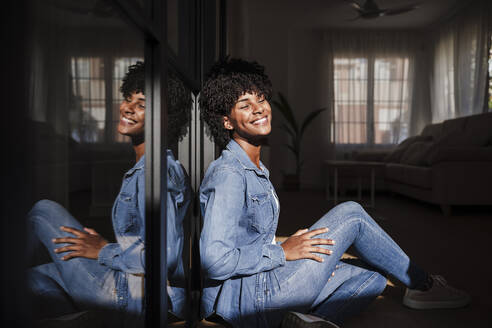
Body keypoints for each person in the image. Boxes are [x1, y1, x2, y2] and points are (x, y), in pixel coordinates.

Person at [198, 58, 470, 328]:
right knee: (351, 214)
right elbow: (214, 260)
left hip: (265, 286)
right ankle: (426, 285)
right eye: (245, 106)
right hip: (250, 300)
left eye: (261, 99)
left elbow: (247, 239)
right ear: (226, 122)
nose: (259, 110)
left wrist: (282, 248)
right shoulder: (229, 174)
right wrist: (282, 252)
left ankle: (311, 323)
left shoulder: (254, 167)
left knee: (373, 276)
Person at [27, 62, 191, 323]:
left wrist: (103, 250)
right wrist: (109, 247)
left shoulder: (154, 172)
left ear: (164, 117)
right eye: (127, 99)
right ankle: (85, 319)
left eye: (141, 104)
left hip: (133, 295)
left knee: (42, 211)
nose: (127, 107)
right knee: (34, 277)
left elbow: (166, 256)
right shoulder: (154, 165)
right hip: (132, 287)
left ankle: (102, 318)